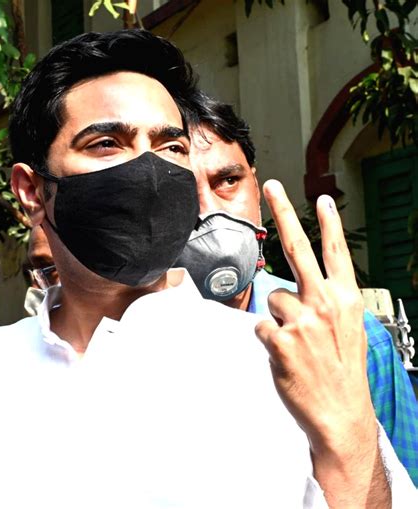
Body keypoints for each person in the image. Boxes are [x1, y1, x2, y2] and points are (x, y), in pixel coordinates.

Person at [0, 30, 415, 509]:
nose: (150, 171)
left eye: (170, 147)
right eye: (107, 143)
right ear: (31, 190)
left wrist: (349, 437)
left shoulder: (280, 361)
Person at [175, 90, 418, 486]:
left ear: (255, 186)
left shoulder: (350, 336)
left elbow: (405, 481)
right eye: (182, 193)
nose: (209, 213)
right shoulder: (125, 341)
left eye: (228, 181)